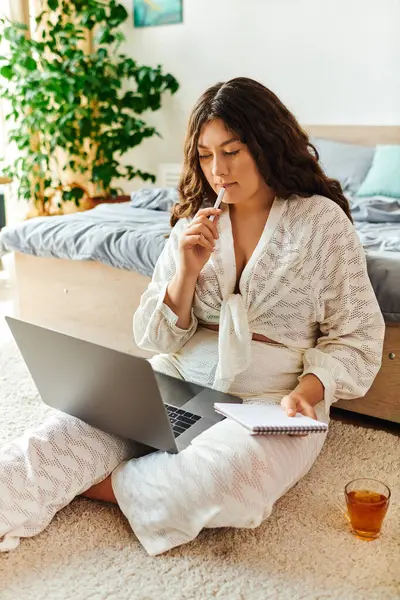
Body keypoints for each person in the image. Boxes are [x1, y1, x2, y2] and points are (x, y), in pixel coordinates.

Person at [0, 77, 385, 555]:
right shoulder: (193, 224)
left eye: (232, 150)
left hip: (275, 398)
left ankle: (104, 482)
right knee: (55, 438)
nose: (217, 171)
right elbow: (153, 337)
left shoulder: (321, 223)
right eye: (205, 155)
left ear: (267, 143)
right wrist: (185, 272)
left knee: (226, 479)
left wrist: (311, 390)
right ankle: (132, 474)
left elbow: (358, 336)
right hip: (180, 379)